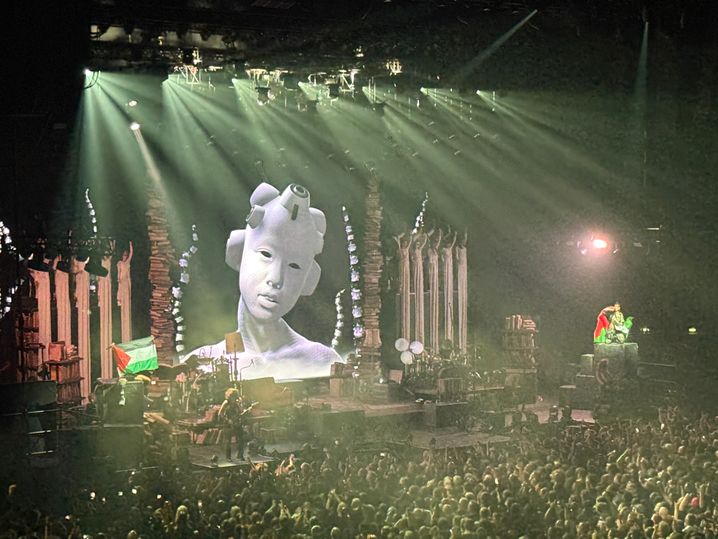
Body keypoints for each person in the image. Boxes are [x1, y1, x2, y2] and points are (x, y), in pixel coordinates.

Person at [184, 183, 342, 380]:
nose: (276, 279)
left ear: (308, 281)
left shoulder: (323, 361)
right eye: (266, 254)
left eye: (294, 266)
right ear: (239, 253)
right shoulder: (200, 364)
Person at [218, 388, 247, 461]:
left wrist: (244, 412)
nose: (235, 398)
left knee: (241, 439)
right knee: (228, 441)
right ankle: (228, 457)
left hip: (237, 423)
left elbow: (240, 412)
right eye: (233, 397)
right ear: (230, 396)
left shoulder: (237, 403)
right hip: (228, 424)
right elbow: (220, 413)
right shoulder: (226, 402)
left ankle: (240, 455)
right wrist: (228, 420)